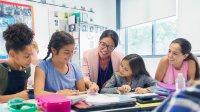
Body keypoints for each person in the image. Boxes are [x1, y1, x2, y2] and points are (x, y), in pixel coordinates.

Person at [34, 31, 94, 97]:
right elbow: (38, 94)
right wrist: (59, 95)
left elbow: (82, 92)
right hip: (52, 106)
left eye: (72, 52)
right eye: (66, 52)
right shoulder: (42, 67)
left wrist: (90, 86)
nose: (70, 55)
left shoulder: (75, 68)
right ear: (54, 50)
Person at [0, 23, 34, 103]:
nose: (30, 60)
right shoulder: (1, 70)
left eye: (31, 55)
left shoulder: (26, 69)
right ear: (12, 54)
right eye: (26, 56)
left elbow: (24, 94)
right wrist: (16, 96)